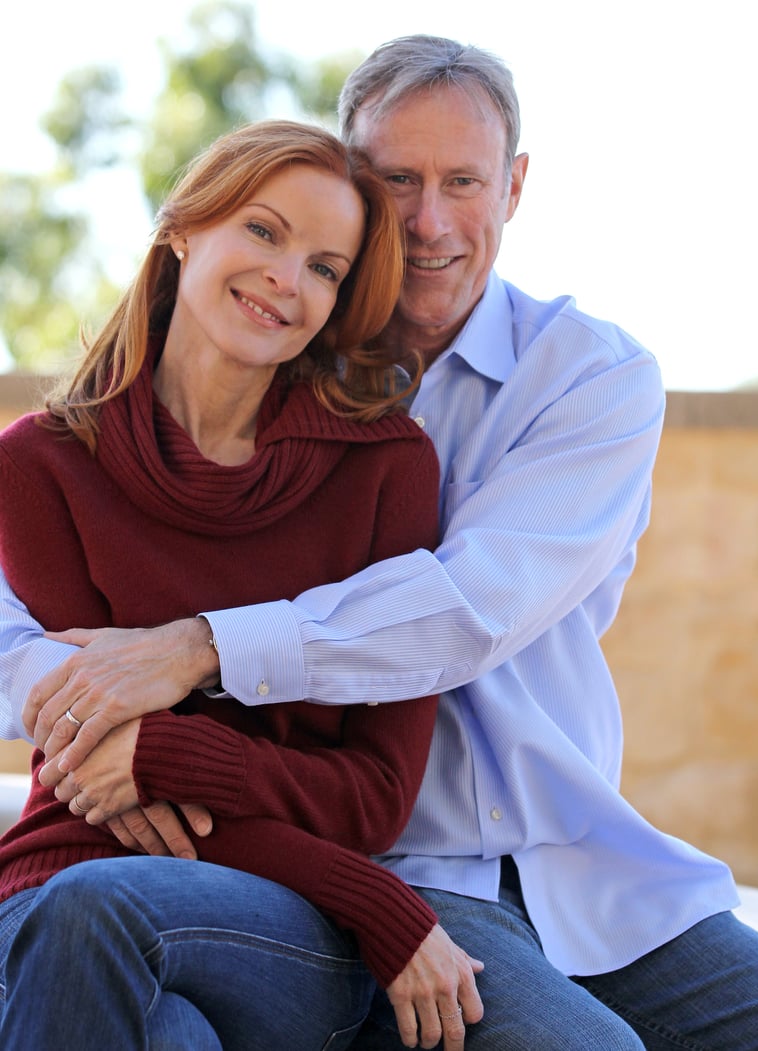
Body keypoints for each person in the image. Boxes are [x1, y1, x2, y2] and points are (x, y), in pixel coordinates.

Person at [2, 32, 758, 1051]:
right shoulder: (277, 371)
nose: (428, 222)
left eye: (462, 180)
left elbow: (470, 609)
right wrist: (94, 728)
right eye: (395, 181)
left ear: (512, 188)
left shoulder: (583, 378)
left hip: (574, 853)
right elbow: (56, 620)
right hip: (399, 865)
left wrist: (197, 648)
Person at [0, 117, 486, 1050]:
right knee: (151, 1009)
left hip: (283, 922)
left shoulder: (386, 471)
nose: (286, 279)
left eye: (325, 268)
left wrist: (165, 758)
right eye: (264, 231)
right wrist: (374, 898)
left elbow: (376, 793)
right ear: (184, 227)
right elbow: (94, 763)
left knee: (99, 913)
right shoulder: (44, 463)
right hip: (62, 883)